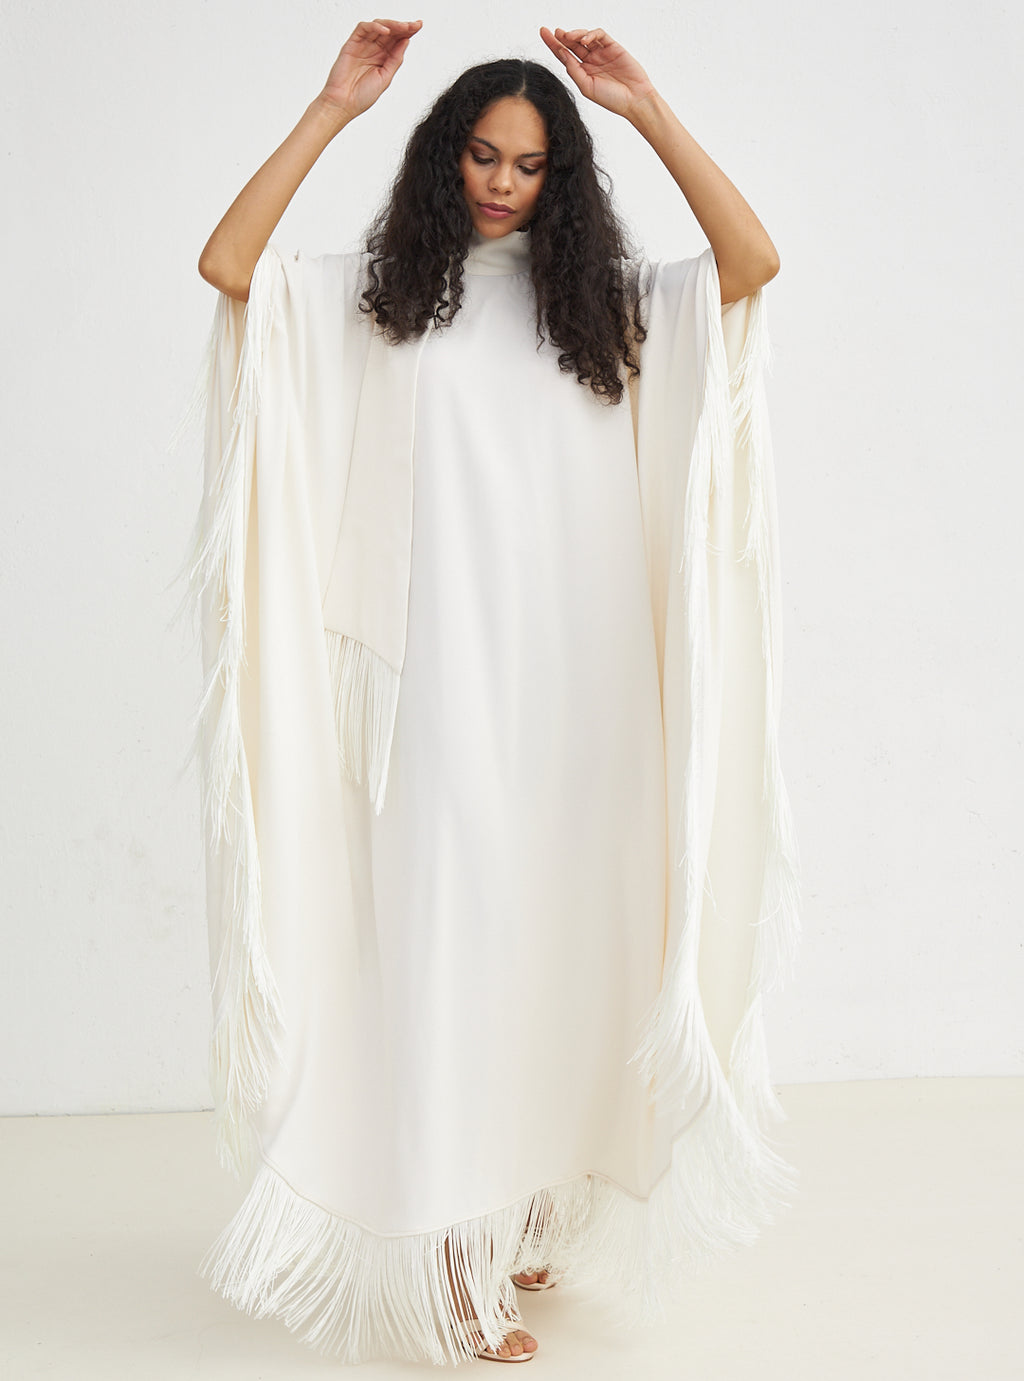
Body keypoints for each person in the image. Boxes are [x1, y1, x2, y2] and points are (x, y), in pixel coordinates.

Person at [191, 17, 800, 1367]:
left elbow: (752, 264)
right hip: (442, 690)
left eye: (529, 165)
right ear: (443, 156)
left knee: (561, 944)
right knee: (455, 943)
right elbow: (229, 266)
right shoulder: (384, 301)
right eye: (480, 155)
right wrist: (331, 106)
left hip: (584, 693)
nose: (502, 185)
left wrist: (647, 109)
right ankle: (450, 1258)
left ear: (562, 176)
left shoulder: (610, 309)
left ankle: (519, 1205)